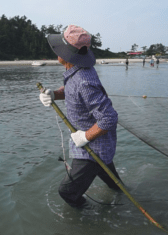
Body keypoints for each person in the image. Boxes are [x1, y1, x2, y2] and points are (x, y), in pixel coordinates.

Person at [39, 25, 122, 208]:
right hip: (96, 144)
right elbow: (71, 92)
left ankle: (89, 221)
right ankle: (121, 200)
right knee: (115, 185)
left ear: (67, 53)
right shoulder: (76, 72)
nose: (56, 52)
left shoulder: (84, 80)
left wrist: (85, 136)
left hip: (93, 149)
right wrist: (53, 94)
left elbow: (108, 118)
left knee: (67, 192)